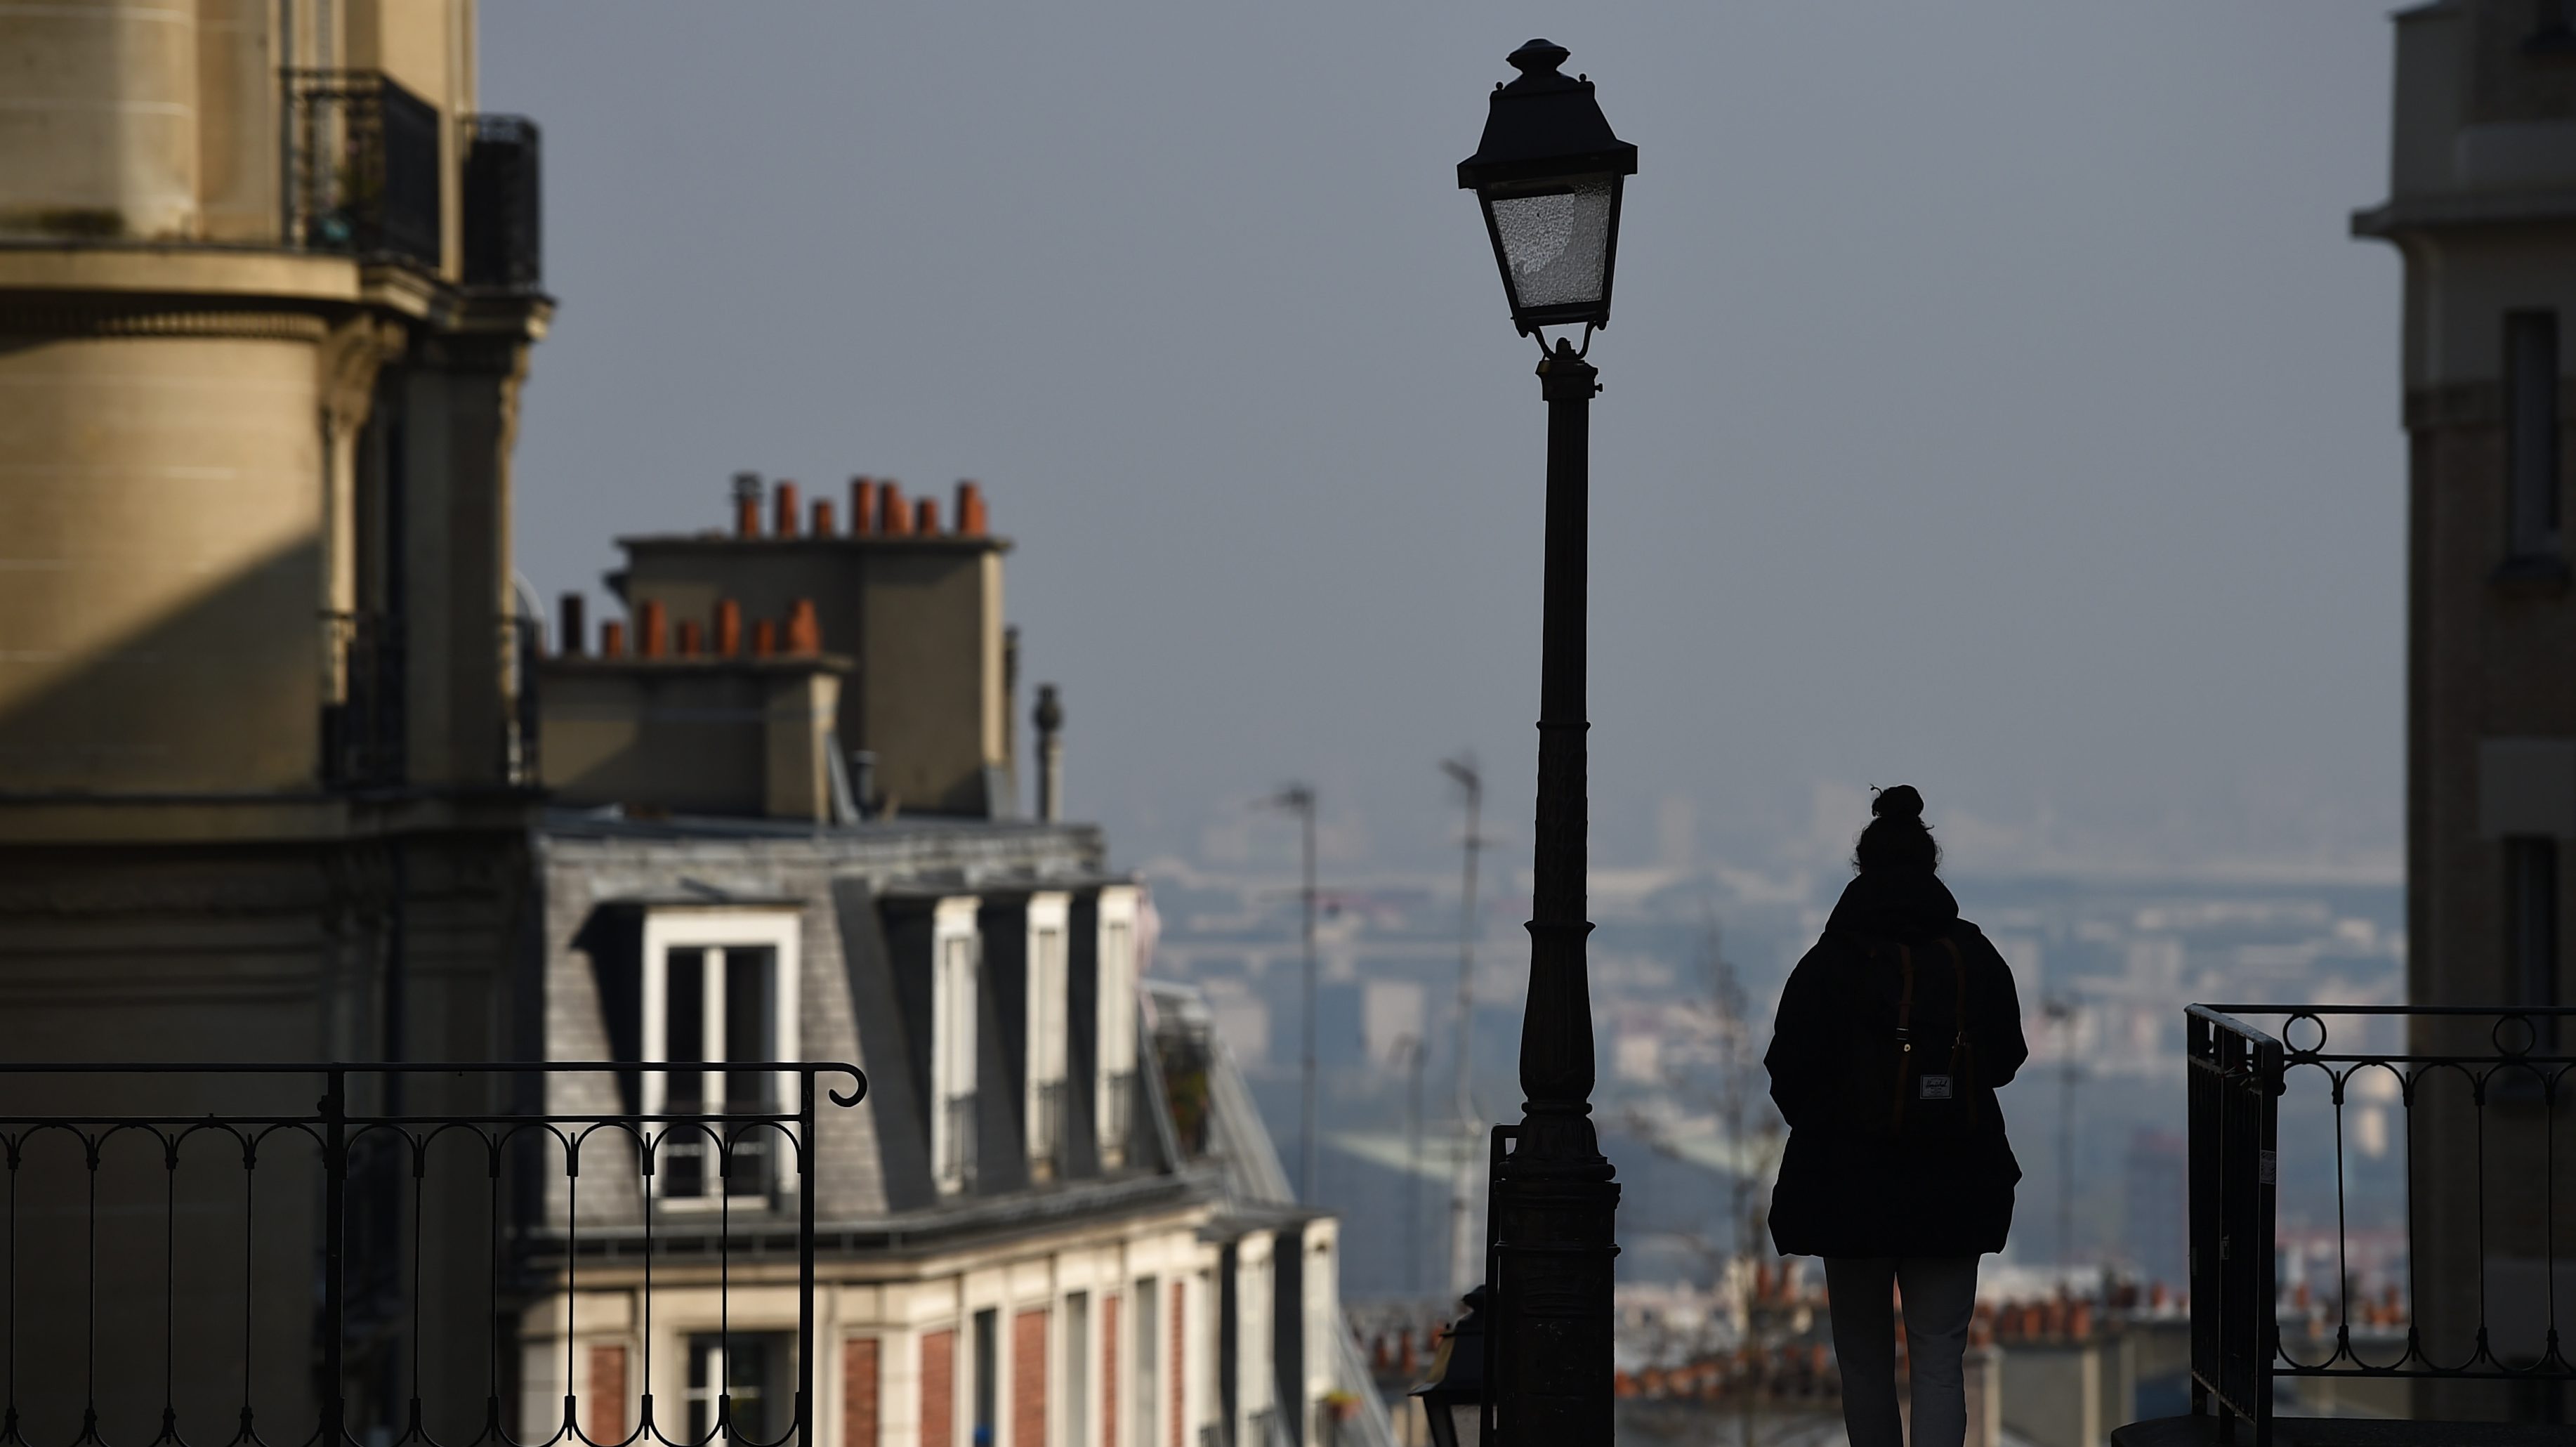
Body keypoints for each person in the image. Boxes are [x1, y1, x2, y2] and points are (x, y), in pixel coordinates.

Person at [1764, 785, 2028, 1447]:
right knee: (1941, 1358)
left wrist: (1838, 1122)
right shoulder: (1973, 955)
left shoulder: (1830, 963)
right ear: (1931, 865)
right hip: (1955, 1177)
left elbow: (1787, 1067)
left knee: (1863, 1360)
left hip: (1848, 1182)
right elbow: (2007, 1054)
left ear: (1863, 868)